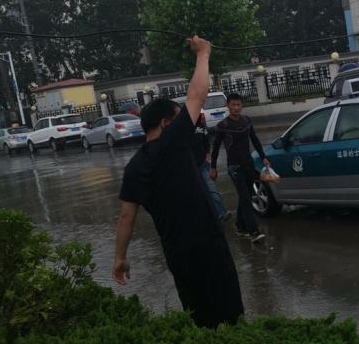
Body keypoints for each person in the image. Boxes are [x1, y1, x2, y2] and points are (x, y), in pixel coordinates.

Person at [112, 36, 244, 328]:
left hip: (176, 252)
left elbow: (126, 217)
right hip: (207, 244)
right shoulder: (172, 142)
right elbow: (196, 95)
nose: (191, 120)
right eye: (179, 117)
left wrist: (120, 257)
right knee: (230, 313)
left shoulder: (134, 167)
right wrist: (203, 54)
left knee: (197, 314)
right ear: (165, 124)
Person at [210, 93, 271, 243]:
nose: (237, 108)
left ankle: (240, 225)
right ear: (228, 106)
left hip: (248, 163)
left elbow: (255, 139)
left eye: (239, 105)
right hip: (234, 166)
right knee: (245, 197)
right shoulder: (222, 126)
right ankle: (253, 231)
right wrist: (213, 167)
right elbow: (216, 148)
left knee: (247, 196)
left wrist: (263, 157)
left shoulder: (247, 121)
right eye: (233, 105)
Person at [192, 110, 229, 222]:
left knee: (212, 189)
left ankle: (222, 213)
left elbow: (206, 141)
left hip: (203, 164)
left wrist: (208, 153)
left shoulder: (201, 127)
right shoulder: (183, 129)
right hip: (190, 167)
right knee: (196, 193)